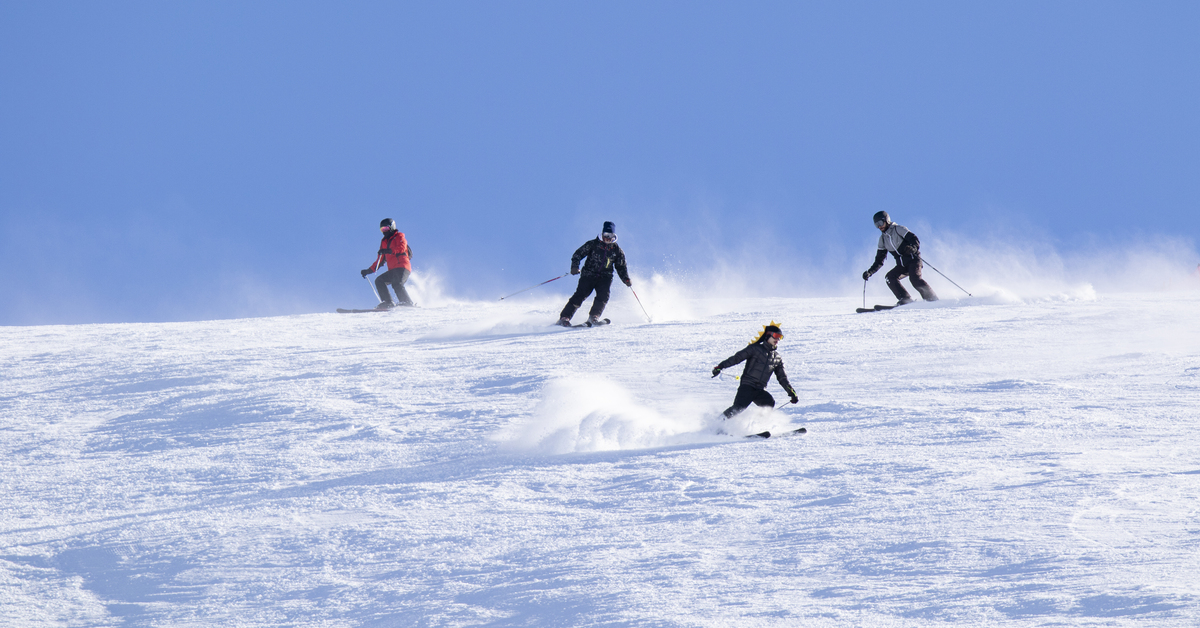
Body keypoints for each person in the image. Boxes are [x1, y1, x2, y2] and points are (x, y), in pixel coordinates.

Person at [712, 323, 798, 418]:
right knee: (738, 407)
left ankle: (756, 426)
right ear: (768, 335)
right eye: (776, 336)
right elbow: (737, 358)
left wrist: (791, 392)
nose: (777, 339)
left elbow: (782, 378)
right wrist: (720, 366)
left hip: (760, 389)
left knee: (769, 403)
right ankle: (717, 424)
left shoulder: (777, 358)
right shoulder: (754, 349)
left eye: (780, 337)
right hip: (747, 386)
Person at [556, 221, 631, 326]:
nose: (608, 238)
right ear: (602, 234)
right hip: (589, 275)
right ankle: (565, 317)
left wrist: (626, 279)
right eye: (606, 235)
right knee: (580, 295)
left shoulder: (616, 250)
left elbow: (621, 266)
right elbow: (578, 254)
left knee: (603, 296)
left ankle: (594, 317)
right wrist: (574, 267)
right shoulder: (593, 244)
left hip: (605, 277)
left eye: (611, 236)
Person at [862, 211, 938, 305]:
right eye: (876, 224)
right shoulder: (882, 240)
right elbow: (879, 261)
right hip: (902, 265)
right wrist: (870, 272)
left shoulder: (898, 229)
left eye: (880, 223)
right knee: (890, 277)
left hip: (914, 260)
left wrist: (913, 248)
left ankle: (932, 299)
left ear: (887, 220)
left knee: (915, 279)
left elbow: (914, 239)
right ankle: (905, 299)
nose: (879, 226)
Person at [361, 218, 414, 309]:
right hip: (393, 270)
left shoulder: (399, 236)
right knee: (379, 280)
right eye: (382, 229)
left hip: (402, 267)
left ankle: (407, 302)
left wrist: (388, 250)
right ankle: (388, 302)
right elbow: (380, 261)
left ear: (392, 227)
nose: (384, 231)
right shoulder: (383, 242)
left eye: (386, 229)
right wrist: (368, 270)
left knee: (397, 283)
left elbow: (401, 247)